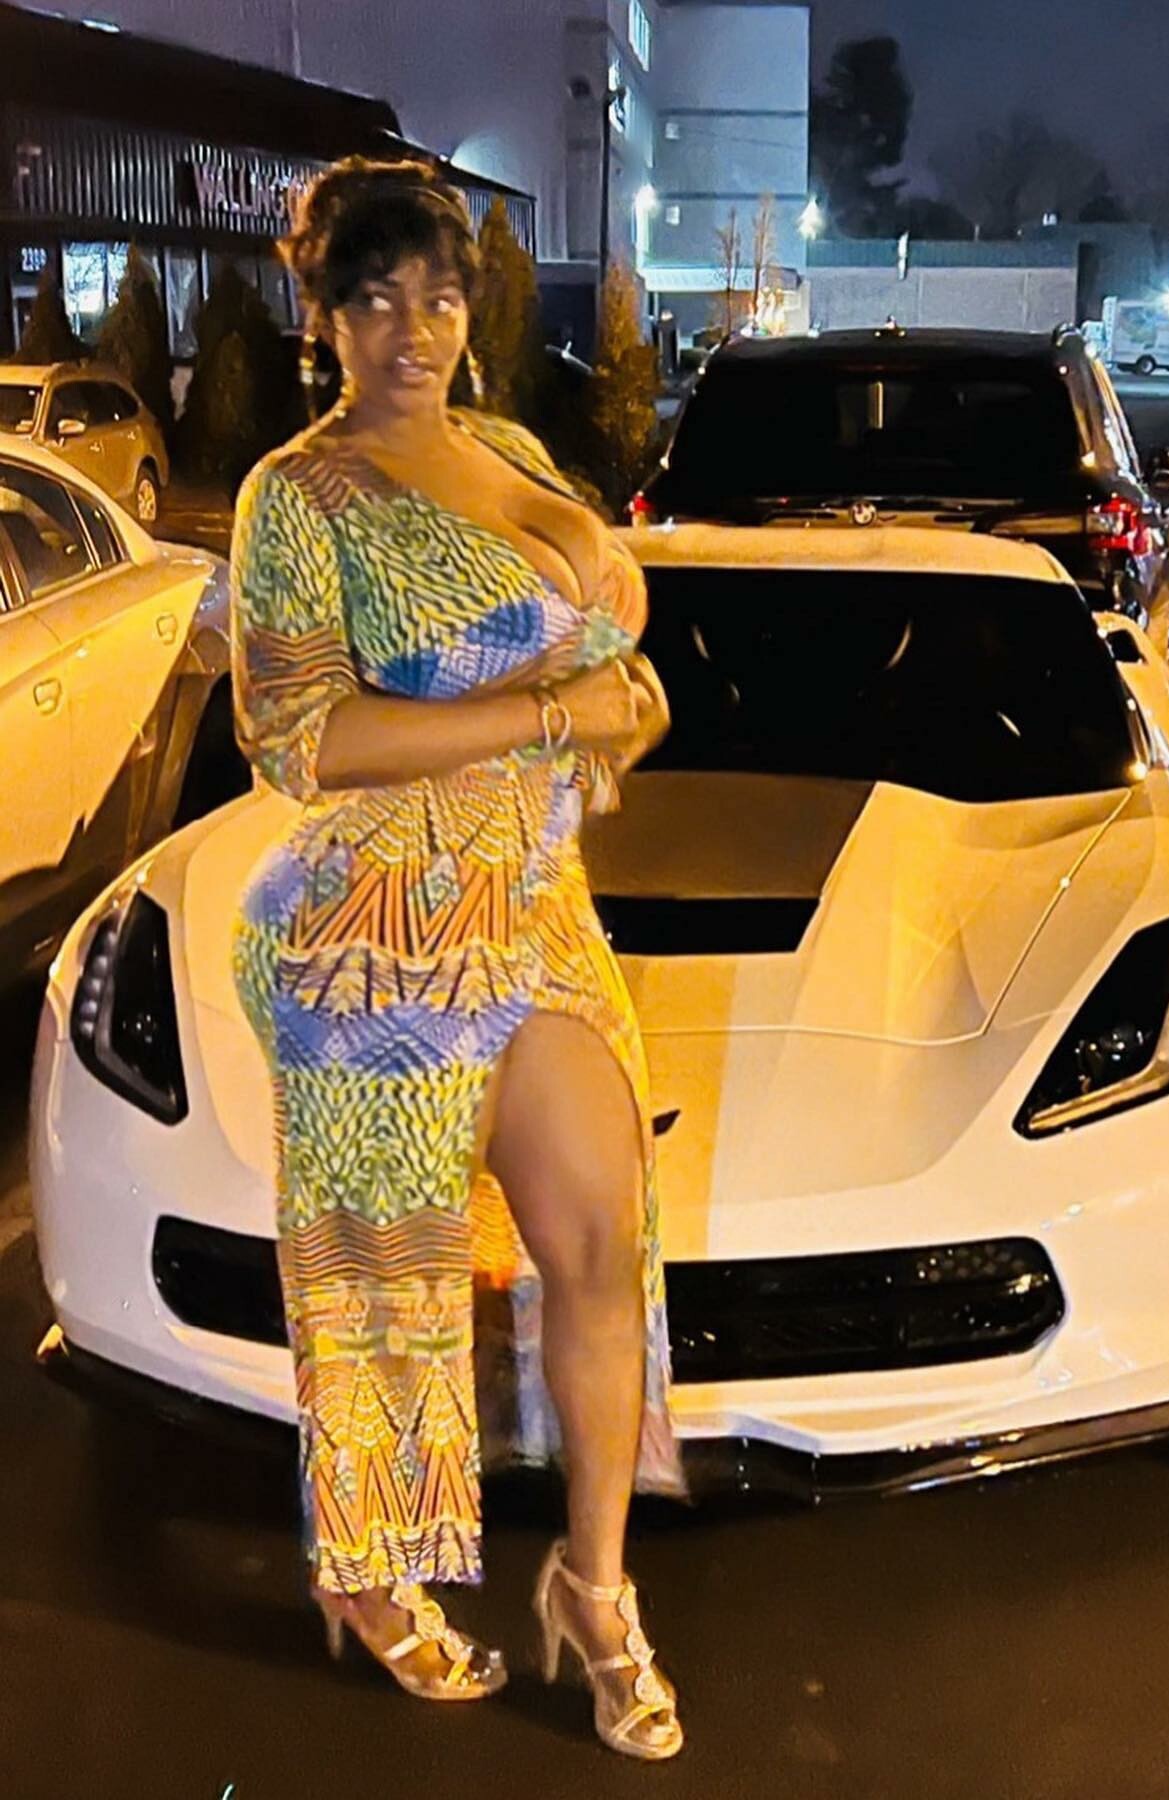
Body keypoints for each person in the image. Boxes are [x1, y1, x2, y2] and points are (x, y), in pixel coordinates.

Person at [229, 156, 684, 1760]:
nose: (412, 331)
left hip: (533, 903)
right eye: (373, 301)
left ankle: (595, 1589)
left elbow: (613, 642)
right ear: (322, 318)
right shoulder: (302, 496)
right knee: (386, 1285)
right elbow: (299, 734)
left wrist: (626, 708)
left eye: (437, 298)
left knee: (602, 1238)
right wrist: (553, 714)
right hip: (379, 933)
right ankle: (369, 1579)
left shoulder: (507, 449)